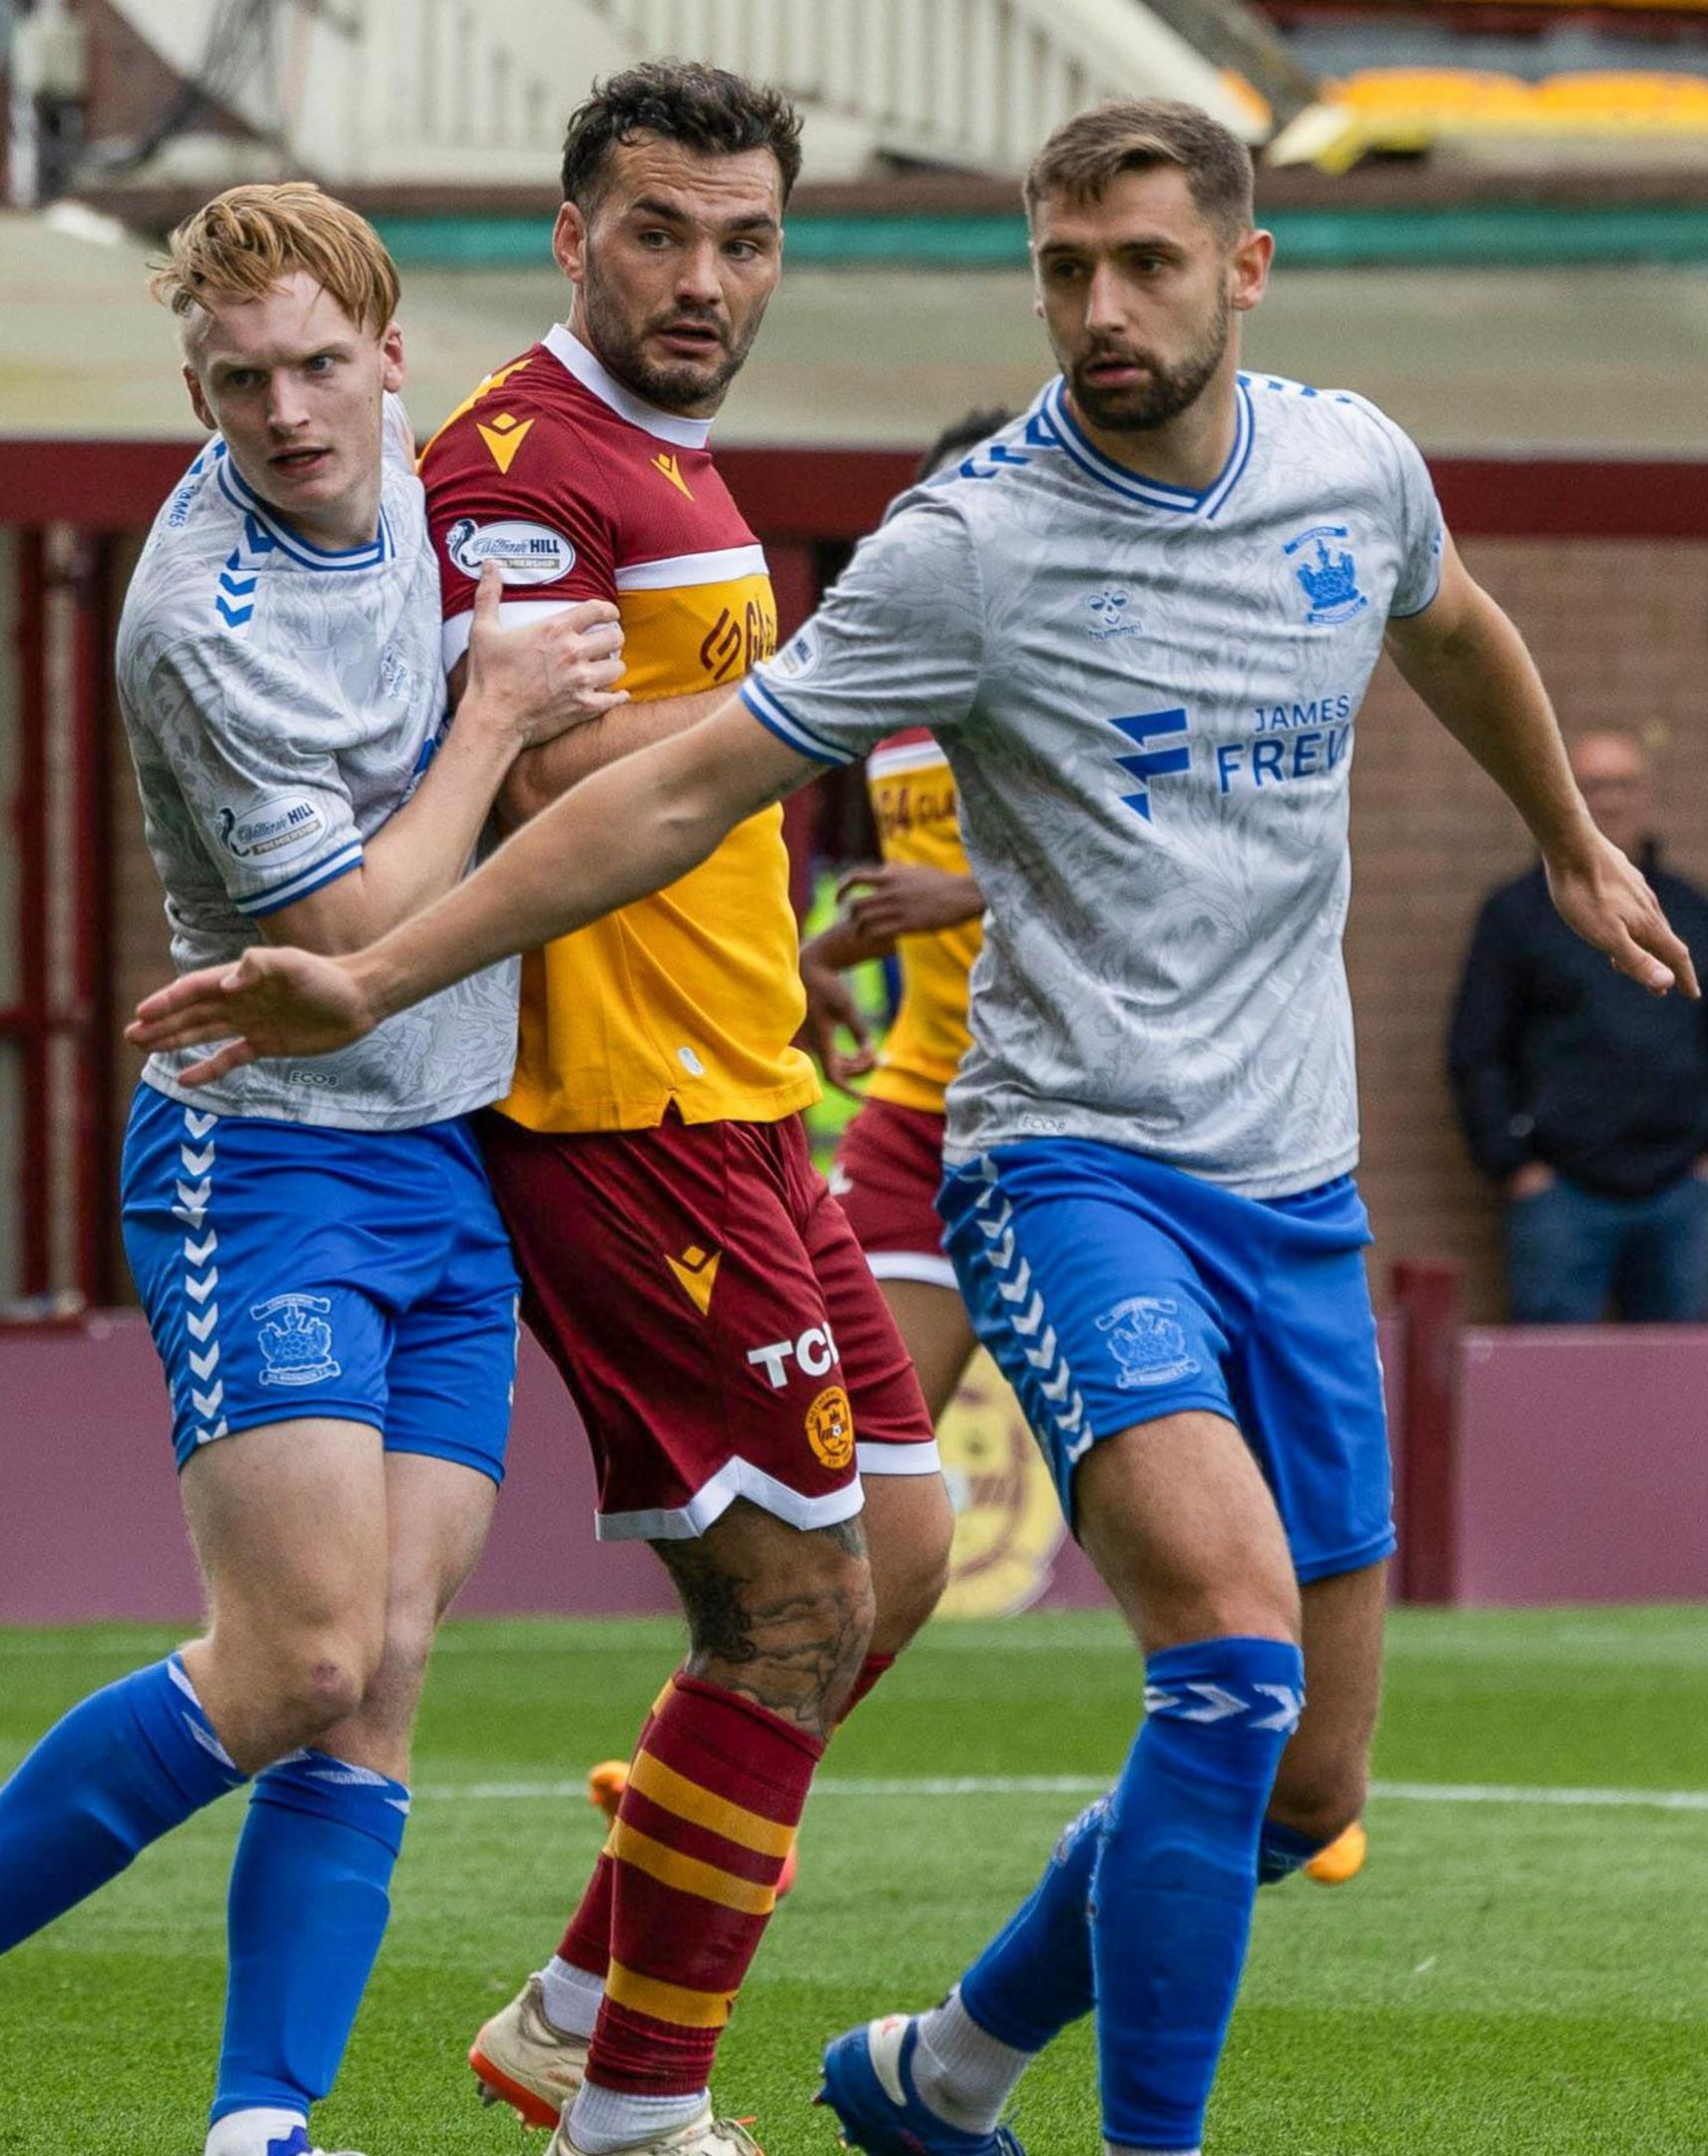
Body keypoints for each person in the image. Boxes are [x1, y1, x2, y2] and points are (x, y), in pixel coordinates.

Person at [134, 99, 1691, 2156]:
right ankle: (652, 2089)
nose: (1099, 309)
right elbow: (641, 793)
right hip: (1008, 1152)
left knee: (1226, 1736)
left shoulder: (1349, 466)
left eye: (1142, 265)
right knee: (1175, 1664)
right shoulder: (956, 532)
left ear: (1247, 269)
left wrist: (1571, 841)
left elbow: (1454, 618)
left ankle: (922, 2064)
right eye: (1063, 270)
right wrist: (371, 973)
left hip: (1260, 1176)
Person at [0, 185, 624, 2156]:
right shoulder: (192, 618)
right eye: (242, 381)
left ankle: (260, 2127)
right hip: (267, 1157)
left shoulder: (469, 478)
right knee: (301, 1649)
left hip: (447, 1153)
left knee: (385, 1665)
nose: (293, 409)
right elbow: (338, 944)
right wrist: (497, 710)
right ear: (197, 389)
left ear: (394, 353)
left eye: (325, 363)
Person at [410, 65, 946, 2156]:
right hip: (614, 1106)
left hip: (753, 1087)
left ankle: (568, 2009)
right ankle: (639, 2109)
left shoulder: (674, 458)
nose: (704, 277)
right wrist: (801, 691)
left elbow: (684, 774)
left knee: (894, 1558)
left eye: (744, 240)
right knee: (787, 1615)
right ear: (571, 233)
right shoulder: (521, 463)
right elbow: (537, 775)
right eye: (658, 231)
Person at [802, 408, 1017, 1414]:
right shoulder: (891, 699)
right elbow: (915, 892)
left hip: (1071, 1125)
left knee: (1149, 1494)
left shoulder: (1091, 689)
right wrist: (821, 958)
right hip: (918, 1114)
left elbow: (1169, 878)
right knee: (858, 1444)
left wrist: (968, 893)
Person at [1448, 726, 1708, 1322]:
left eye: (1623, 785)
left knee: (1680, 1390)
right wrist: (1516, 1164)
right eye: (1593, 787)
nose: (1610, 801)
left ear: (1645, 796)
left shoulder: (1690, 910)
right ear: (1566, 799)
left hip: (1682, 1191)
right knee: (1554, 1386)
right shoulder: (1516, 914)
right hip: (1561, 1194)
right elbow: (1476, 1051)